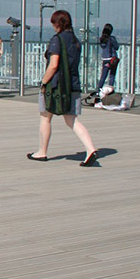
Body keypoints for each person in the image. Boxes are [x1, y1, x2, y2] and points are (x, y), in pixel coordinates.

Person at [28, 9, 98, 166]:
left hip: (56, 86)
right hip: (73, 85)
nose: (53, 26)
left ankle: (42, 152)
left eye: (54, 23)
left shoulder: (57, 40)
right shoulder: (75, 40)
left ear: (58, 24)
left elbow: (53, 65)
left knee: (45, 116)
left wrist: (44, 82)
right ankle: (90, 149)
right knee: (72, 119)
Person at [96, 23, 119, 93]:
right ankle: (110, 90)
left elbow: (103, 47)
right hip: (112, 59)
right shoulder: (111, 39)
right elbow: (116, 47)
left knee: (103, 76)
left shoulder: (102, 39)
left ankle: (98, 90)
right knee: (112, 75)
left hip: (105, 59)